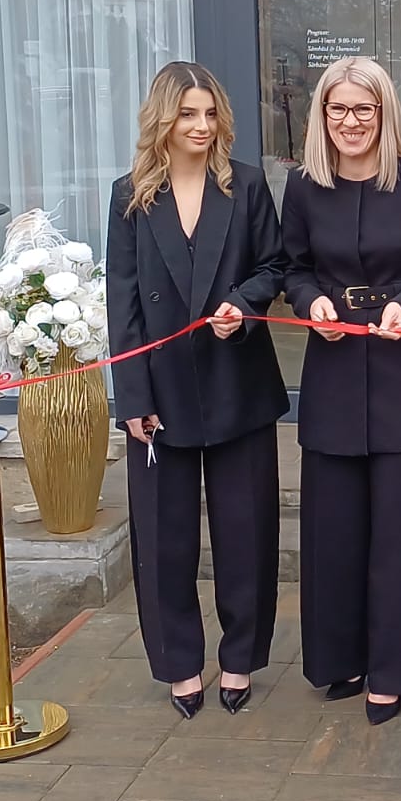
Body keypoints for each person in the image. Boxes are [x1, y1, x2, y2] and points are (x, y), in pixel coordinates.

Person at [281, 56, 401, 726]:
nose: (350, 121)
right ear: (321, 116)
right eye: (338, 109)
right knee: (335, 529)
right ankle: (344, 658)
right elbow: (293, 268)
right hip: (334, 374)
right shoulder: (304, 185)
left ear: (385, 113)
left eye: (364, 109)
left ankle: (396, 669)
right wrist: (311, 303)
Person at [106, 61, 289, 720]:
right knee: (165, 540)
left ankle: (240, 659)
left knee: (247, 534)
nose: (202, 126)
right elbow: (123, 304)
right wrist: (133, 399)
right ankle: (180, 664)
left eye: (210, 114)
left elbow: (275, 265)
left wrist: (243, 302)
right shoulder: (129, 197)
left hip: (238, 383)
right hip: (161, 395)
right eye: (188, 114)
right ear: (163, 118)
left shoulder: (246, 185)